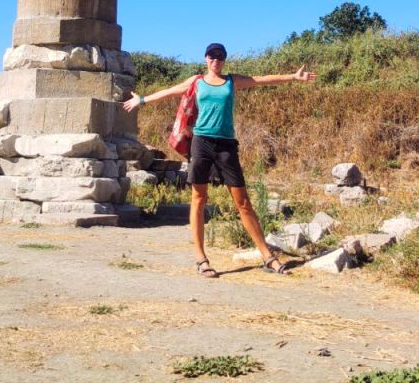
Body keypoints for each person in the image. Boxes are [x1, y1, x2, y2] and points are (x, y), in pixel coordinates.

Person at [122, 42, 316, 277]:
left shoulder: (232, 81)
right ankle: (201, 259)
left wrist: (293, 77)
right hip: (201, 143)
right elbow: (170, 91)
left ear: (224, 60)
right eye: (212, 56)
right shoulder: (197, 82)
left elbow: (261, 79)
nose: (216, 60)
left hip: (226, 146)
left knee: (243, 202)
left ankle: (267, 257)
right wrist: (142, 100)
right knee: (199, 198)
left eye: (220, 56)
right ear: (206, 59)